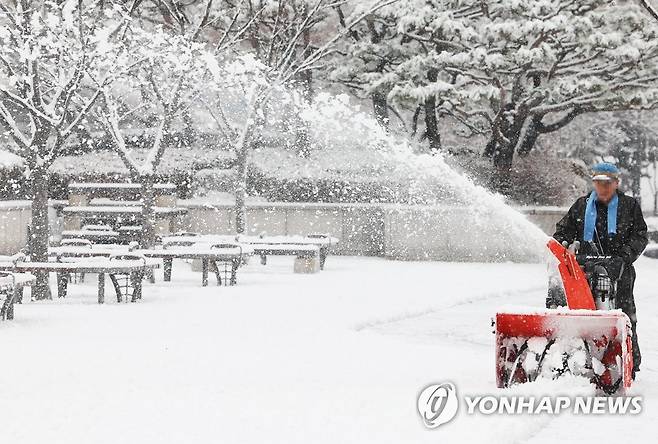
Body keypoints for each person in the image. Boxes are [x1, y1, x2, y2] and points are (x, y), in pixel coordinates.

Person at [552, 162, 648, 378]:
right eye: (598, 183)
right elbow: (562, 231)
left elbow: (640, 236)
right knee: (582, 314)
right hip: (585, 270)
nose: (602, 188)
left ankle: (629, 361)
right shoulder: (581, 206)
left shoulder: (629, 206)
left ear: (616, 183)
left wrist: (623, 258)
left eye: (607, 183)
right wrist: (565, 243)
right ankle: (579, 357)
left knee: (625, 315)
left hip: (620, 271)